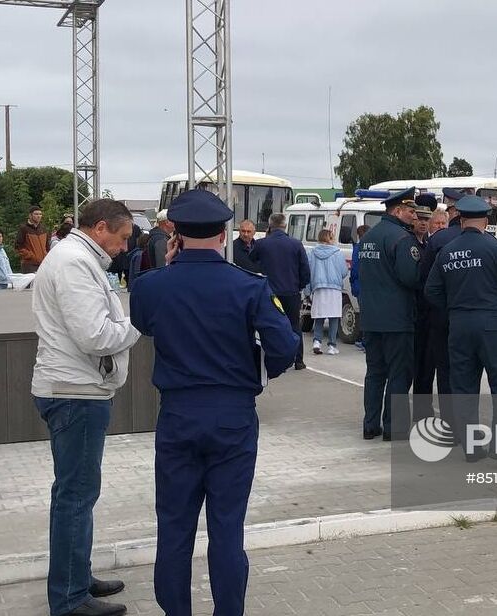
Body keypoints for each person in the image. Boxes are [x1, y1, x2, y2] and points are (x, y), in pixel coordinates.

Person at [130, 189, 298, 616]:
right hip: (232, 416)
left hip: (178, 416)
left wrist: (170, 270)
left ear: (175, 235)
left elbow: (144, 323)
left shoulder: (151, 286)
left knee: (173, 529)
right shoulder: (250, 286)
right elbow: (284, 346)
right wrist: (259, 374)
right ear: (224, 234)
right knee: (226, 529)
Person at [31, 198, 142, 616]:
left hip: (77, 389)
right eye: (123, 236)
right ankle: (69, 598)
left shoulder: (79, 258)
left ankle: (77, 576)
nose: (124, 246)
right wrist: (137, 324)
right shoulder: (75, 263)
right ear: (100, 228)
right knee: (75, 495)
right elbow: (95, 336)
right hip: (74, 392)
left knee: (77, 493)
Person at [425, 196, 497, 466]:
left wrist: (453, 311)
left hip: (459, 326)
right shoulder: (496, 248)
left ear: (460, 220)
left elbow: (431, 291)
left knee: (463, 386)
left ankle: (471, 448)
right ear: (486, 220)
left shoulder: (447, 251)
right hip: (492, 325)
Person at [357, 186, 421, 441]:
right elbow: (411, 277)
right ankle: (394, 427)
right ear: (398, 211)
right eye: (410, 212)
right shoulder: (401, 239)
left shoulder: (368, 238)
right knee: (398, 374)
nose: (414, 217)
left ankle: (370, 425)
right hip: (397, 319)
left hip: (371, 318)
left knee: (374, 373)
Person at [415, 188, 465, 433]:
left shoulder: (439, 241)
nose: (441, 225)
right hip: (441, 316)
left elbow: (427, 282)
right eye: (438, 222)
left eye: (444, 221)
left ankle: (448, 420)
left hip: (437, 315)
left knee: (442, 368)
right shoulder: (488, 241)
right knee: (433, 368)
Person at [250, 213, 310, 370]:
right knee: (294, 325)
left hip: (269, 292)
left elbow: (251, 258)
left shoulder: (262, 243)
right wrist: (300, 285)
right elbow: (305, 270)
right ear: (285, 225)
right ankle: (299, 360)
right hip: (291, 291)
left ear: (269, 226)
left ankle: (273, 358)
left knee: (269, 324)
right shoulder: (296, 244)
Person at [411, 194, 438, 420]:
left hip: (428, 315)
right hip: (411, 314)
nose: (422, 222)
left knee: (426, 366)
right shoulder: (407, 242)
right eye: (418, 217)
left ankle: (423, 411)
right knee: (411, 367)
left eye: (426, 219)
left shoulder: (430, 244)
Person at [304, 228, 347, 355]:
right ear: (330, 238)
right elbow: (344, 271)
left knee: (319, 316)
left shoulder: (311, 253)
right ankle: (332, 346)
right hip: (334, 288)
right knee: (334, 317)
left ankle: (317, 341)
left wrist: (307, 291)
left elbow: (308, 272)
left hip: (318, 288)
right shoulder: (337, 253)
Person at [348, 223, 369, 352]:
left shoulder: (358, 247)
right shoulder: (375, 246)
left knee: (364, 314)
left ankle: (365, 341)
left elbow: (355, 268)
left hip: (360, 284)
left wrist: (352, 281)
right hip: (373, 286)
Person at [15, 205, 50, 273]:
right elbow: (18, 247)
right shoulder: (24, 229)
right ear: (30, 215)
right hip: (29, 265)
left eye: (40, 214)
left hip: (43, 264)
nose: (38, 216)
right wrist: (30, 256)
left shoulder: (43, 229)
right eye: (36, 214)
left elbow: (47, 246)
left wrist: (46, 256)